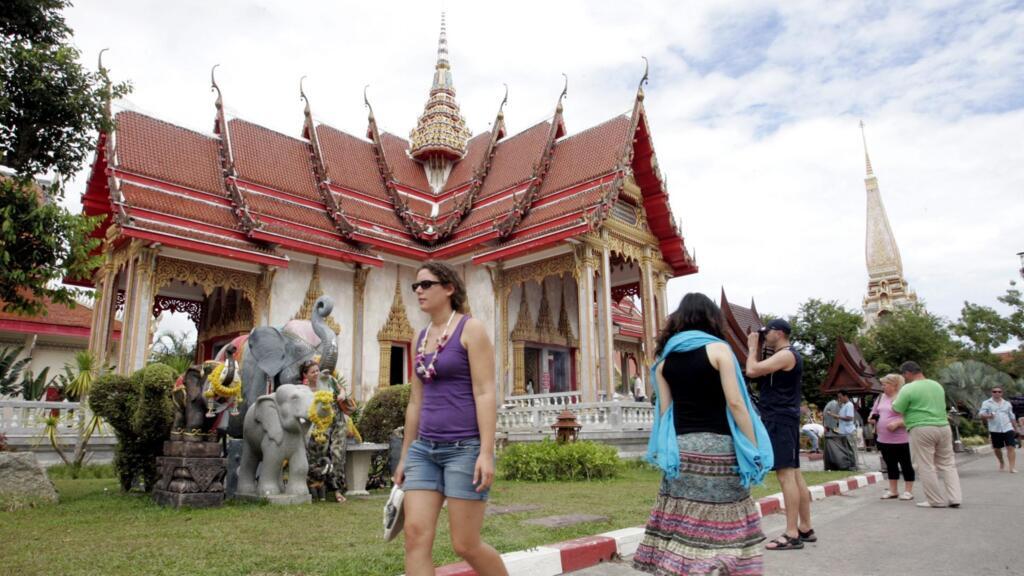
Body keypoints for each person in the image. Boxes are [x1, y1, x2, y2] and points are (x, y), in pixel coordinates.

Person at [633, 293, 767, 575]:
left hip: (682, 450)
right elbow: (736, 403)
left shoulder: (664, 363)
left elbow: (664, 412)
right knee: (726, 517)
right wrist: (753, 446)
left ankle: (687, 567)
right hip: (719, 448)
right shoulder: (719, 350)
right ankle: (717, 566)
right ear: (711, 319)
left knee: (686, 519)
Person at [393, 262, 508, 576]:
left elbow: (485, 392)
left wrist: (486, 452)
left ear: (449, 288)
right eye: (415, 286)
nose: (419, 291)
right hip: (424, 451)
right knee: (415, 536)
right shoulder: (420, 337)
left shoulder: (471, 330)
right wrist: (404, 456)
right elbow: (415, 401)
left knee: (465, 544)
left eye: (426, 284)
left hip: (464, 449)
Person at [746, 318, 815, 550]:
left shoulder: (787, 355)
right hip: (784, 417)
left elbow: (752, 370)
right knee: (795, 474)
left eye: (768, 333)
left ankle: (791, 533)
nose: (765, 336)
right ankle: (805, 526)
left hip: (780, 418)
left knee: (786, 475)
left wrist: (751, 348)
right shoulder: (784, 355)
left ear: (780, 333)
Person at [892, 361, 962, 509]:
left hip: (921, 427)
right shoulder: (936, 385)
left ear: (907, 373)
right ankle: (955, 497)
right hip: (943, 426)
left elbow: (897, 408)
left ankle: (935, 500)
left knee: (926, 465)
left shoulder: (908, 388)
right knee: (948, 464)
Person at [869, 374, 915, 500]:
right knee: (890, 464)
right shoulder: (880, 398)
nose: (882, 387)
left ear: (894, 385)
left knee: (905, 464)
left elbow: (912, 417)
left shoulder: (903, 397)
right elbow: (874, 413)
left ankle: (908, 491)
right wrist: (872, 418)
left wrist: (898, 423)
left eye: (885, 384)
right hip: (883, 438)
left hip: (901, 439)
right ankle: (893, 490)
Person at [979, 386, 1019, 473]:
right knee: (997, 448)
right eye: (995, 391)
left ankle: (1012, 467)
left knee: (1011, 447)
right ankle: (1001, 462)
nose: (997, 393)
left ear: (1002, 393)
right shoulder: (986, 403)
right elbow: (981, 414)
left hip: (1007, 428)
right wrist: (989, 416)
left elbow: (1011, 416)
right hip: (995, 429)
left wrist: (1015, 427)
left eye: (999, 391)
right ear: (991, 392)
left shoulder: (1007, 403)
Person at [827, 391, 858, 456]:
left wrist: (836, 416)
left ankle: (855, 464)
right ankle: (849, 464)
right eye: (838, 397)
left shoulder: (849, 405)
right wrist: (833, 415)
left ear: (845, 396)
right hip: (843, 431)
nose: (839, 399)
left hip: (849, 431)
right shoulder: (844, 405)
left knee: (852, 450)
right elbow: (841, 418)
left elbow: (849, 418)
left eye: (840, 397)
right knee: (846, 450)